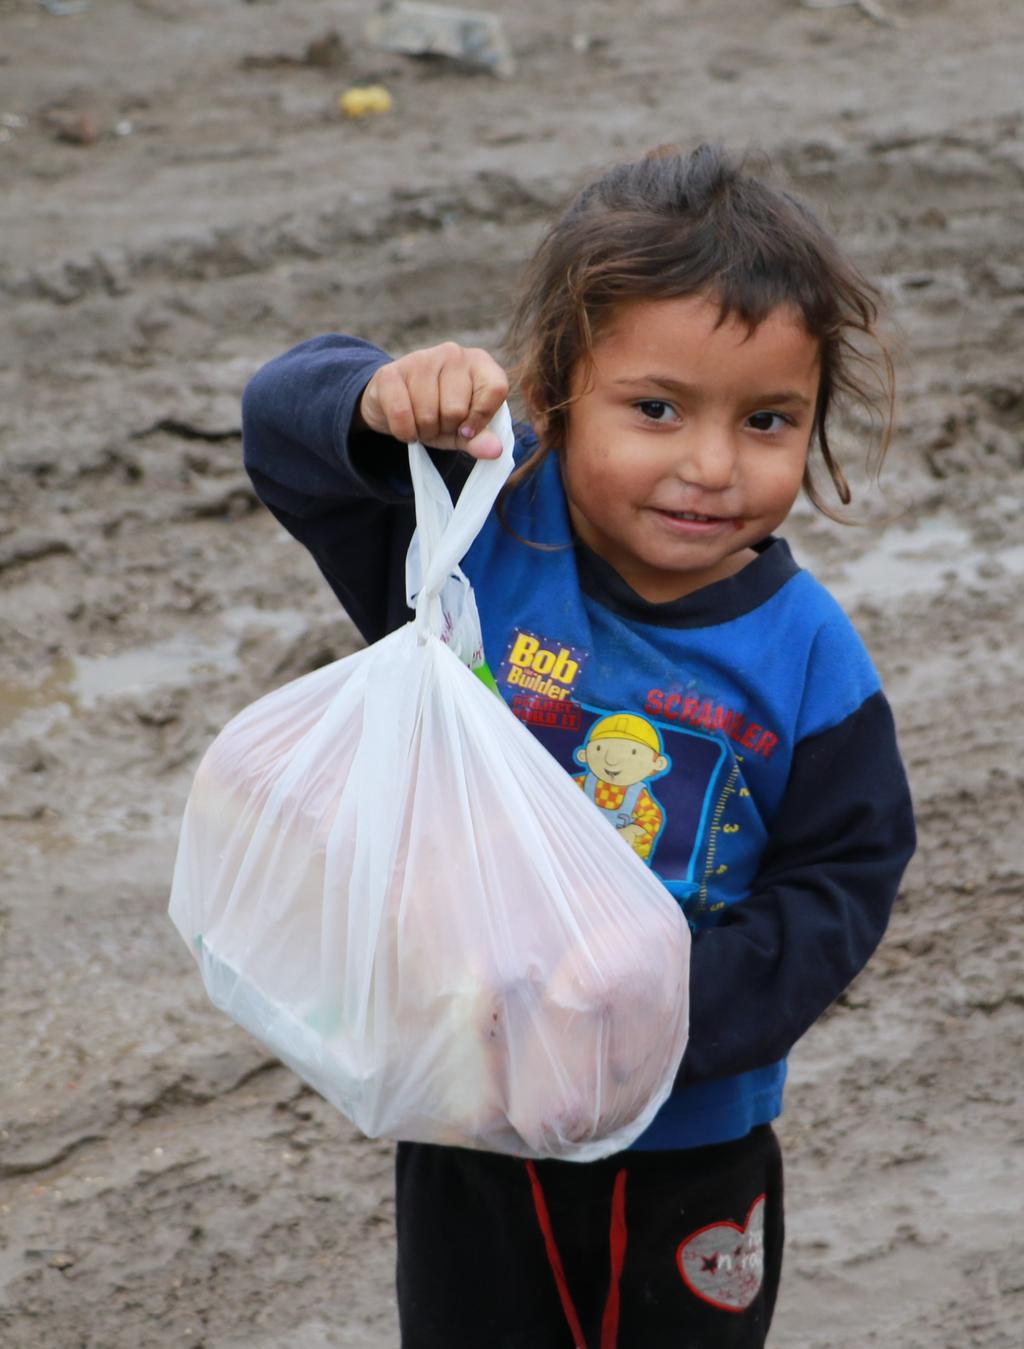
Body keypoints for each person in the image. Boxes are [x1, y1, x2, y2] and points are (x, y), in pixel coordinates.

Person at [241, 143, 916, 1349]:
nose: (710, 466)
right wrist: (375, 396)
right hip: (470, 1121)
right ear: (553, 389)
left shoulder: (809, 659)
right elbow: (281, 427)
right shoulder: (475, 550)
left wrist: (661, 1021)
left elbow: (844, 880)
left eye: (767, 420)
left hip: (692, 1138)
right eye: (655, 409)